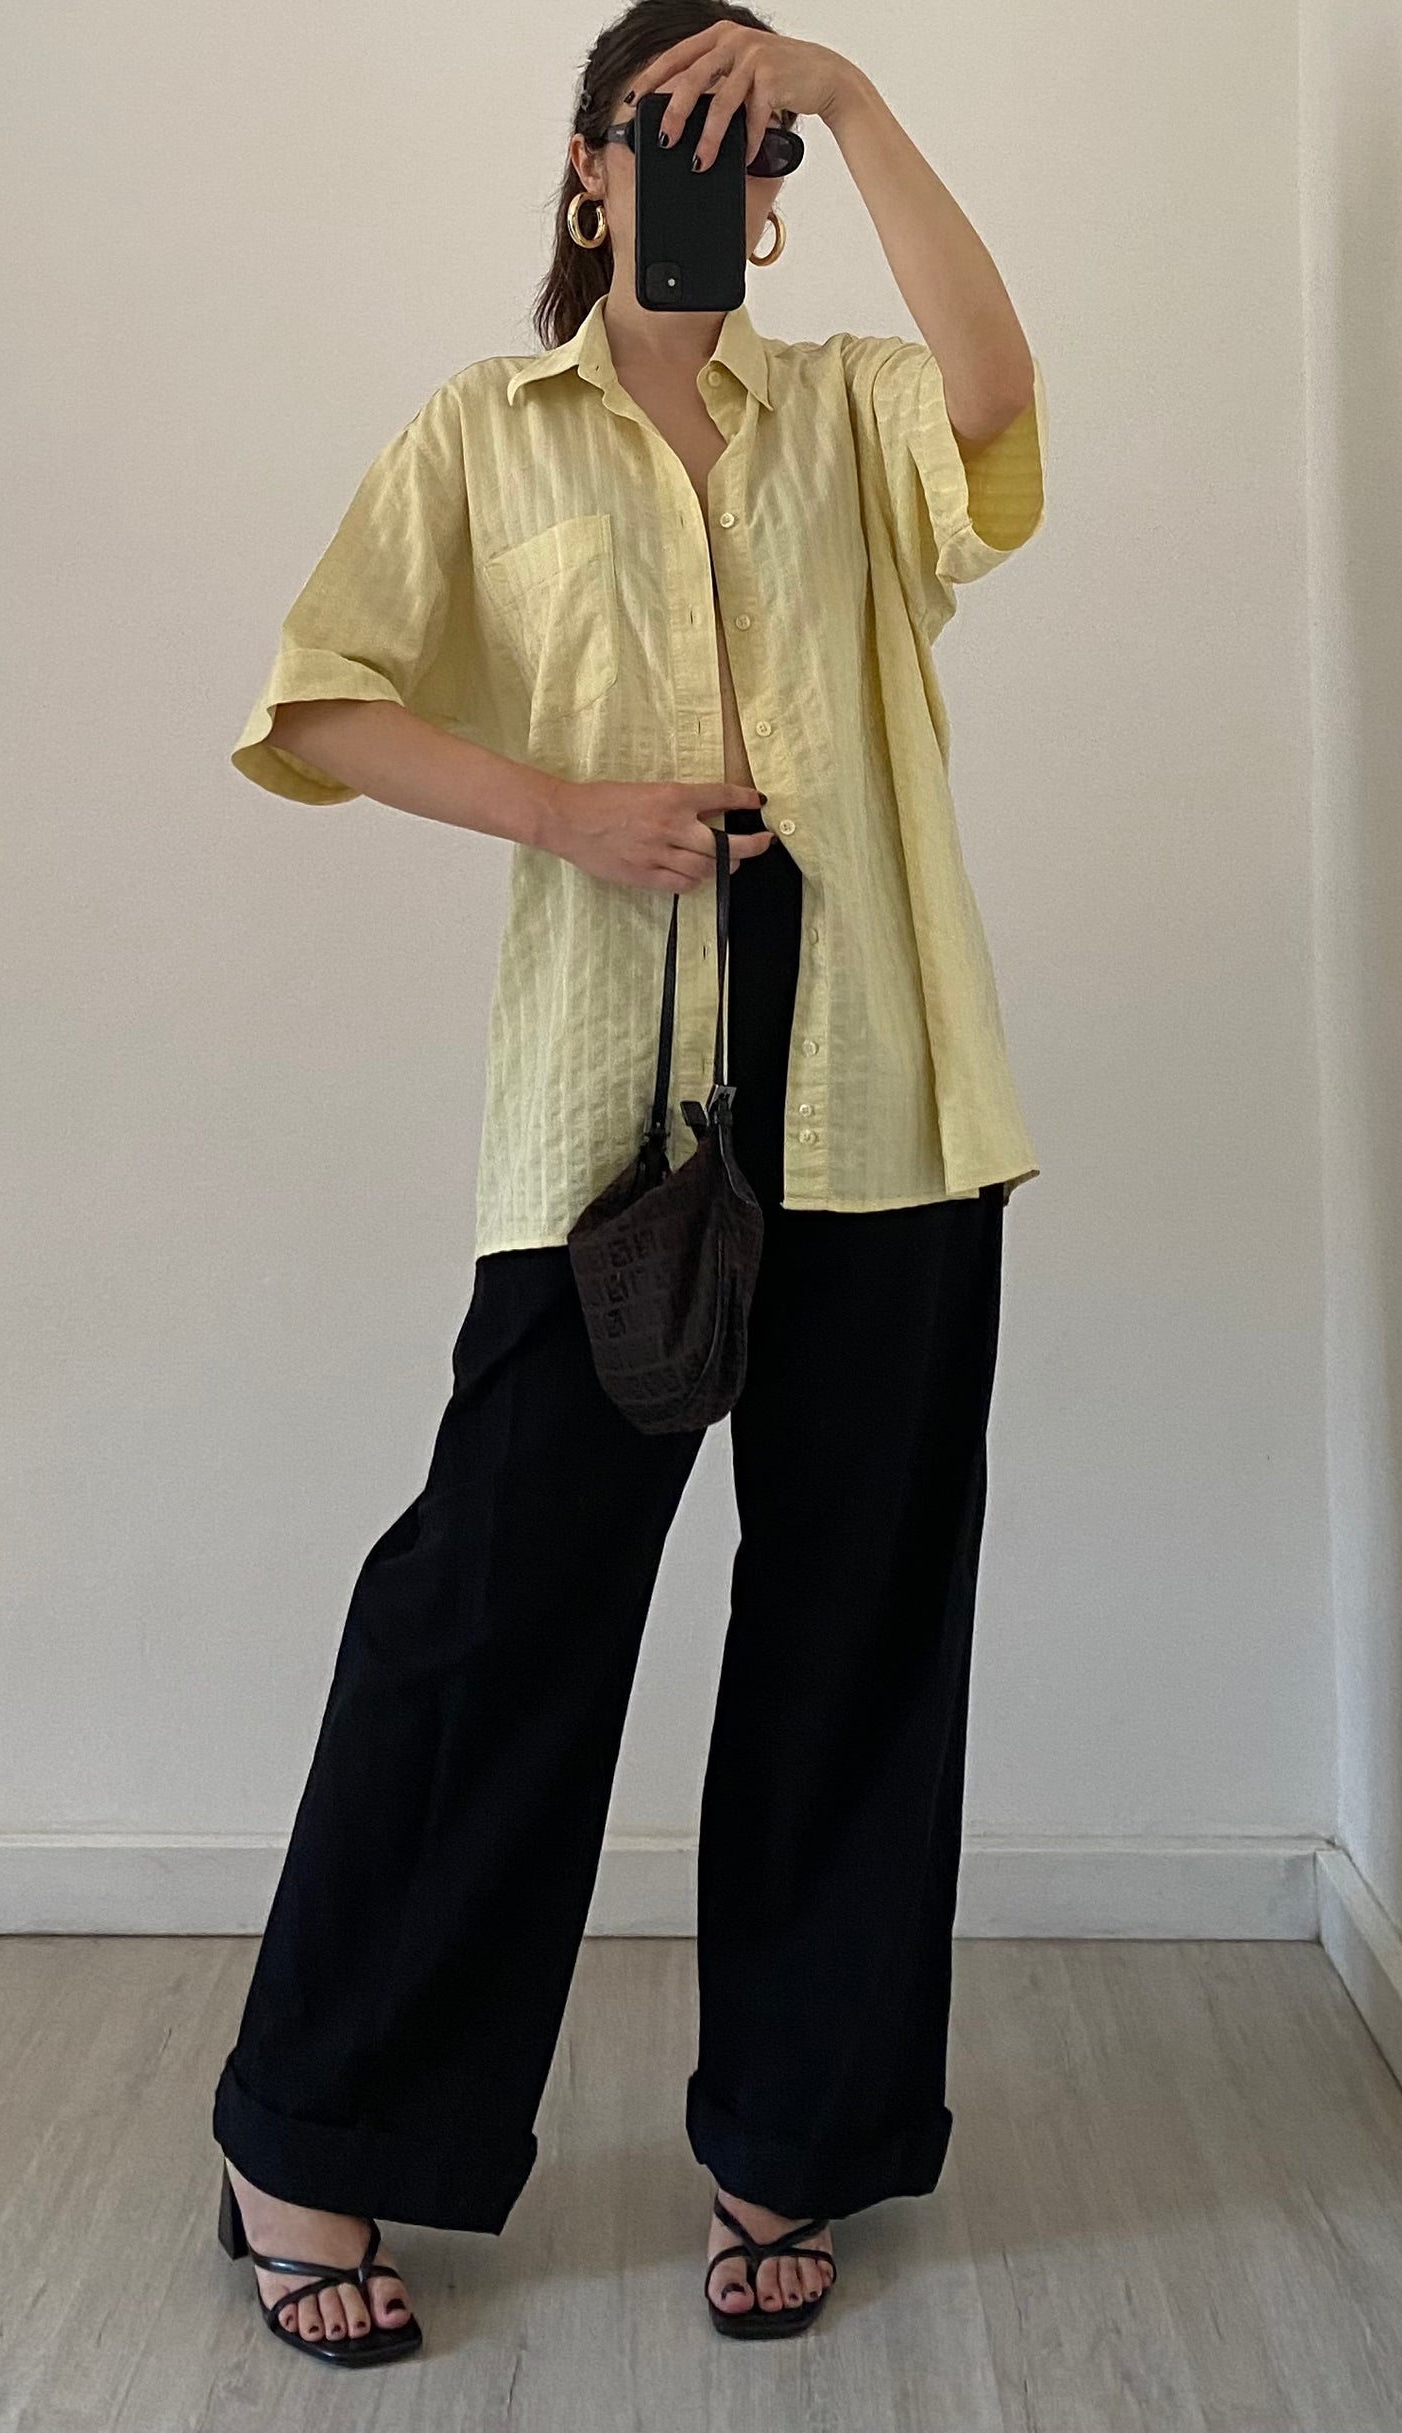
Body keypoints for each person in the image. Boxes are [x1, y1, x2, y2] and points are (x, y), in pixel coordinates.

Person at [210, 0, 1046, 2368]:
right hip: (616, 1081)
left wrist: (851, 96)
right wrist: (559, 809)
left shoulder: (849, 411)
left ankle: (792, 2132)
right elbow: (319, 692)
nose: (719, 181)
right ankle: (305, 2133)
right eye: (667, 139)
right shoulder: (483, 432)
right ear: (585, 170)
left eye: (747, 148)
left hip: (876, 1064)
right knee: (492, 1606)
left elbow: (997, 410)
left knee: (856, 1616)